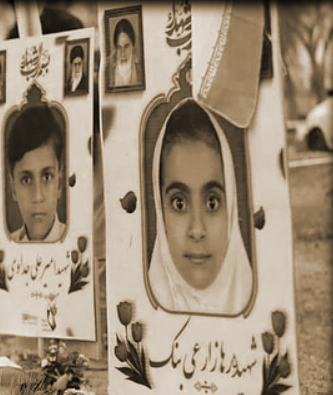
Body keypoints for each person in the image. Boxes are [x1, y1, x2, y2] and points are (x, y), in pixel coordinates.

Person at [147, 99, 253, 314]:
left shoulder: (257, 302)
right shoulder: (143, 307)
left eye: (212, 202)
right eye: (179, 203)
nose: (197, 230)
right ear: (160, 210)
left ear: (231, 207)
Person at [6, 105, 66, 242]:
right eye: (26, 180)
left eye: (47, 177)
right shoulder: (7, 244)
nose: (38, 196)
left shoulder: (75, 239)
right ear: (13, 188)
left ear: (59, 184)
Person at [108, 17, 140, 88]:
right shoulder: (108, 76)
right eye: (119, 48)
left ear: (133, 47)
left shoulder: (141, 72)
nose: (122, 54)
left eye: (126, 47)